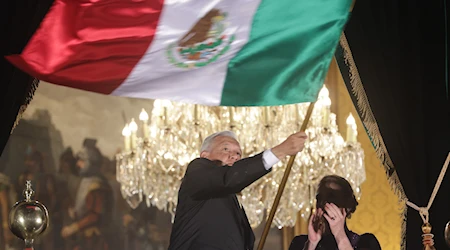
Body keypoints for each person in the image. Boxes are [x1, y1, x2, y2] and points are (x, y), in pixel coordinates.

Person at [168, 130, 308, 250]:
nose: (234, 156)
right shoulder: (197, 171)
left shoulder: (228, 196)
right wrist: (280, 150)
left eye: (238, 153)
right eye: (225, 149)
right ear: (205, 156)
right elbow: (228, 179)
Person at [289, 175, 381, 250]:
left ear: (347, 207)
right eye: (321, 198)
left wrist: (340, 235)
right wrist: (311, 244)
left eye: (333, 198)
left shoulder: (366, 242)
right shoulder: (300, 243)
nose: (326, 205)